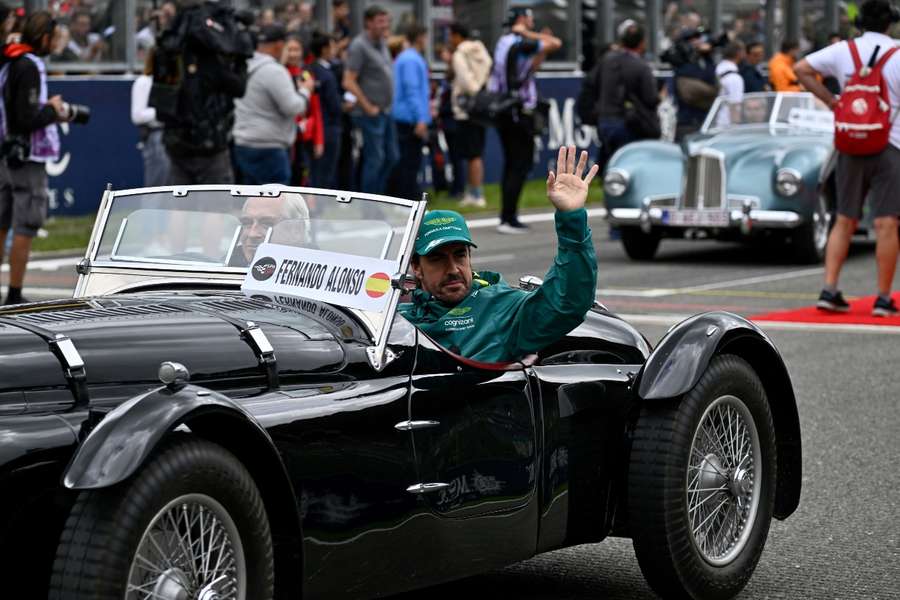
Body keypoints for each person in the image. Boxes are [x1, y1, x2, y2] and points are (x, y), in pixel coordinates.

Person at [399, 145, 598, 362]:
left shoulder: (500, 308)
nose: (453, 269)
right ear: (416, 267)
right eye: (438, 258)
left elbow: (567, 303)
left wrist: (571, 219)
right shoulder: (398, 316)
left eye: (459, 255)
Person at [795, 0, 900, 317]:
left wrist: (832, 101)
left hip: (850, 141)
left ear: (859, 24)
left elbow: (801, 69)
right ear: (889, 25)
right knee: (886, 222)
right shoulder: (897, 53)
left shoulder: (844, 51)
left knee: (844, 218)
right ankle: (882, 297)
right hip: (890, 143)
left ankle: (829, 289)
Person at [0, 12, 71, 305]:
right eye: (53, 38)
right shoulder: (29, 65)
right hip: (27, 156)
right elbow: (27, 116)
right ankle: (15, 294)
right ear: (43, 37)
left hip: (6, 152)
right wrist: (53, 109)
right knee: (26, 223)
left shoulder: (8, 61)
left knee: (2, 222)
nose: (55, 44)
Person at [155, 0, 253, 185]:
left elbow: (238, 86)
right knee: (196, 207)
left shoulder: (180, 47)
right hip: (191, 144)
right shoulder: (184, 47)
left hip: (197, 143)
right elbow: (238, 86)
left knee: (197, 206)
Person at [488, 7, 561, 234]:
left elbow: (530, 68)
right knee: (518, 164)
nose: (532, 23)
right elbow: (555, 43)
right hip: (517, 112)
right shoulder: (520, 41)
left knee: (514, 164)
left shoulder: (503, 41)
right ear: (521, 21)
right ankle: (508, 218)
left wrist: (537, 43)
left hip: (506, 110)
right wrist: (535, 35)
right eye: (529, 19)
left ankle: (508, 215)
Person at [233, 24, 313, 186]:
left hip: (243, 143)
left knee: (251, 203)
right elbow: (293, 107)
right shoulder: (274, 71)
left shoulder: (244, 64)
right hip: (269, 147)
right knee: (274, 205)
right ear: (279, 45)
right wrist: (305, 91)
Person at [343, 5, 398, 195]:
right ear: (368, 22)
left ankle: (379, 197)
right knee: (375, 159)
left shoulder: (382, 43)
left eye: (386, 21)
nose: (385, 25)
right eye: (380, 21)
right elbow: (348, 81)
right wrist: (367, 106)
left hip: (386, 111)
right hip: (370, 113)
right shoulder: (359, 45)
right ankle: (370, 204)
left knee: (392, 157)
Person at [596, 22, 659, 166]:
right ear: (642, 43)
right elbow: (650, 99)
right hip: (629, 124)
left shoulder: (606, 60)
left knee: (611, 165)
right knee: (629, 166)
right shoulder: (642, 67)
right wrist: (661, 95)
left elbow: (592, 86)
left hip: (605, 120)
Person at [448, 21, 492, 208]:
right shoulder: (481, 51)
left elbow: (466, 81)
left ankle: (476, 194)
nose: (450, 39)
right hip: (481, 109)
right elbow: (488, 67)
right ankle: (473, 192)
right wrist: (481, 92)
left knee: (472, 154)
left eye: (451, 35)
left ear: (457, 35)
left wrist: (474, 92)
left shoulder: (459, 54)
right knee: (476, 153)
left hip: (467, 110)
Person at [391, 23, 430, 201]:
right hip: (409, 119)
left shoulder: (406, 58)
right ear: (420, 37)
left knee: (407, 161)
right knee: (409, 162)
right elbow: (412, 90)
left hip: (406, 117)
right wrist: (421, 118)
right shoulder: (411, 60)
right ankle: (407, 201)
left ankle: (405, 198)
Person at [232, 193, 311, 267]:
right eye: (247, 223)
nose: (252, 234)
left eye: (267, 223)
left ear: (297, 230)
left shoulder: (319, 273)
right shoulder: (228, 264)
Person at [131, 49, 170, 187]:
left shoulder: (169, 81)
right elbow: (137, 115)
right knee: (156, 186)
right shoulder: (143, 82)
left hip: (173, 135)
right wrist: (165, 110)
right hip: (156, 135)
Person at [308, 31, 342, 188]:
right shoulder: (327, 75)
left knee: (315, 168)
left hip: (313, 127)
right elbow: (334, 105)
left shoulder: (309, 69)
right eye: (332, 46)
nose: (335, 49)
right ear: (324, 49)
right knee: (326, 168)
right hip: (329, 126)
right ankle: (320, 204)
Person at [715, 41, 745, 126]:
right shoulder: (734, 78)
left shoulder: (719, 68)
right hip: (727, 123)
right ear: (739, 53)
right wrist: (735, 126)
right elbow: (735, 105)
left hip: (717, 120)